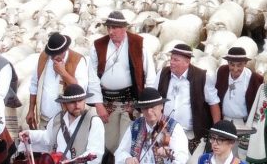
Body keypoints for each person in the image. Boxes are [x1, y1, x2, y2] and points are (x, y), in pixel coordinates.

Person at [93, 10, 152, 156]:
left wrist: (146, 104)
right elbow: (92, 77)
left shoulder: (138, 45)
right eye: (108, 28)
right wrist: (98, 104)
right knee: (110, 142)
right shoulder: (99, 46)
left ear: (124, 28)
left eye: (114, 28)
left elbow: (150, 74)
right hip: (108, 103)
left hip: (130, 103)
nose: (111, 31)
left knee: (126, 141)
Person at [23, 31, 96, 134]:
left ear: (65, 49)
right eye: (52, 55)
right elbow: (35, 84)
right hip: (44, 119)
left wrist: (63, 73)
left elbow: (80, 91)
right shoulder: (44, 57)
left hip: (67, 120)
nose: (54, 58)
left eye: (57, 54)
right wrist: (31, 110)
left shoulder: (77, 60)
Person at [206, 43, 263, 148]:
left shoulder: (254, 79)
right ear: (227, 62)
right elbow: (211, 93)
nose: (235, 69)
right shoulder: (221, 72)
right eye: (232, 64)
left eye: (239, 65)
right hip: (225, 121)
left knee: (241, 156)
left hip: (243, 124)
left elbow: (259, 106)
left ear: (245, 63)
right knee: (223, 153)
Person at [154, 42, 211, 140]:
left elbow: (213, 103)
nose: (171, 62)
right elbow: (154, 99)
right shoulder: (163, 73)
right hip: (164, 131)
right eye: (171, 58)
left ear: (187, 62)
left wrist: (215, 131)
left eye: (176, 60)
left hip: (189, 134)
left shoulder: (201, 76)